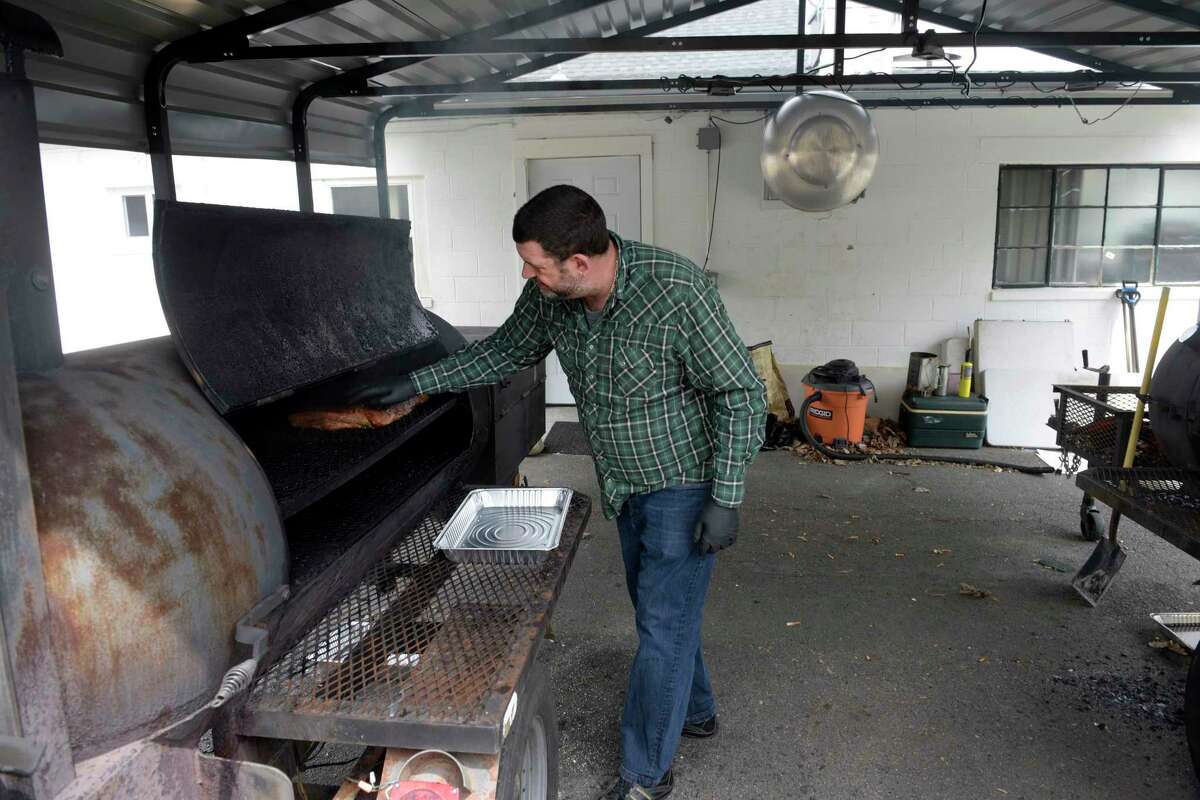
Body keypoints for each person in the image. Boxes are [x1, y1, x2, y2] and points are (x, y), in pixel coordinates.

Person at [348, 184, 766, 799]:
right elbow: (504, 351)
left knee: (659, 622)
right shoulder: (551, 298)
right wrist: (418, 382)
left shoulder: (676, 291)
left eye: (535, 265)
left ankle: (647, 774)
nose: (527, 274)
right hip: (624, 483)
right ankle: (695, 712)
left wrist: (726, 497)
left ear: (580, 263)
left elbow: (740, 393)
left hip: (683, 482)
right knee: (664, 616)